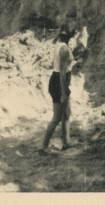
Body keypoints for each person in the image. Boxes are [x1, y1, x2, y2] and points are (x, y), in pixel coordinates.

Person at [39, 20, 77, 154]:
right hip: (59, 82)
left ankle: (66, 142)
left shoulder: (58, 43)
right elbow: (62, 73)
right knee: (56, 117)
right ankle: (43, 146)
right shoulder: (65, 49)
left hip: (57, 79)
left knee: (66, 113)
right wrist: (63, 93)